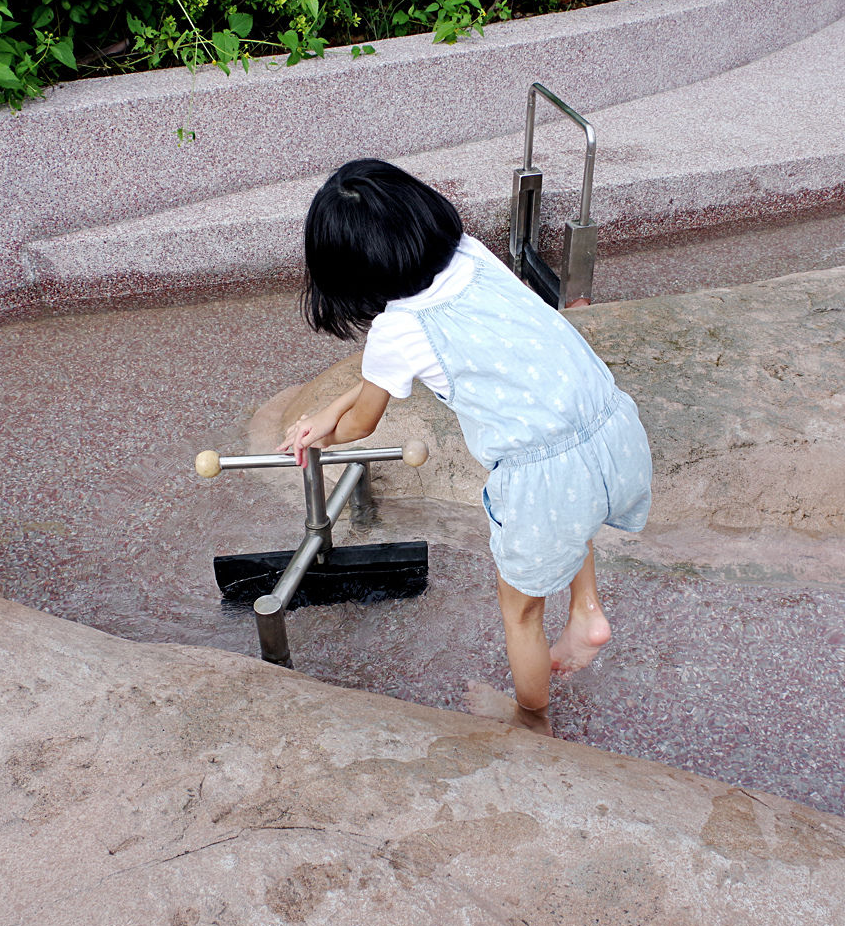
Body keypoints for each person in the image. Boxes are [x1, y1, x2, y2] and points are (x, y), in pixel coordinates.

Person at [278, 158, 652, 737]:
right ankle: (586, 613)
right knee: (573, 504)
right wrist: (330, 406)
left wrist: (324, 427)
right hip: (612, 427)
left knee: (522, 613)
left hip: (542, 481)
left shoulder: (397, 330)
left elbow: (362, 424)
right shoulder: (471, 254)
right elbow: (388, 375)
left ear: (350, 275)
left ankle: (532, 717)